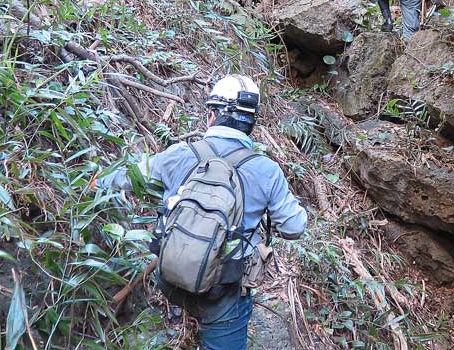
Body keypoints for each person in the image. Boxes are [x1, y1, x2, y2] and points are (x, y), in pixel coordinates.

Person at [96, 74, 307, 350]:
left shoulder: (180, 154)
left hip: (169, 279)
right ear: (251, 124)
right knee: (228, 310)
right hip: (222, 293)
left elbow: (130, 177)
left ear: (211, 115)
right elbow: (295, 228)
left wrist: (97, 180)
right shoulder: (266, 171)